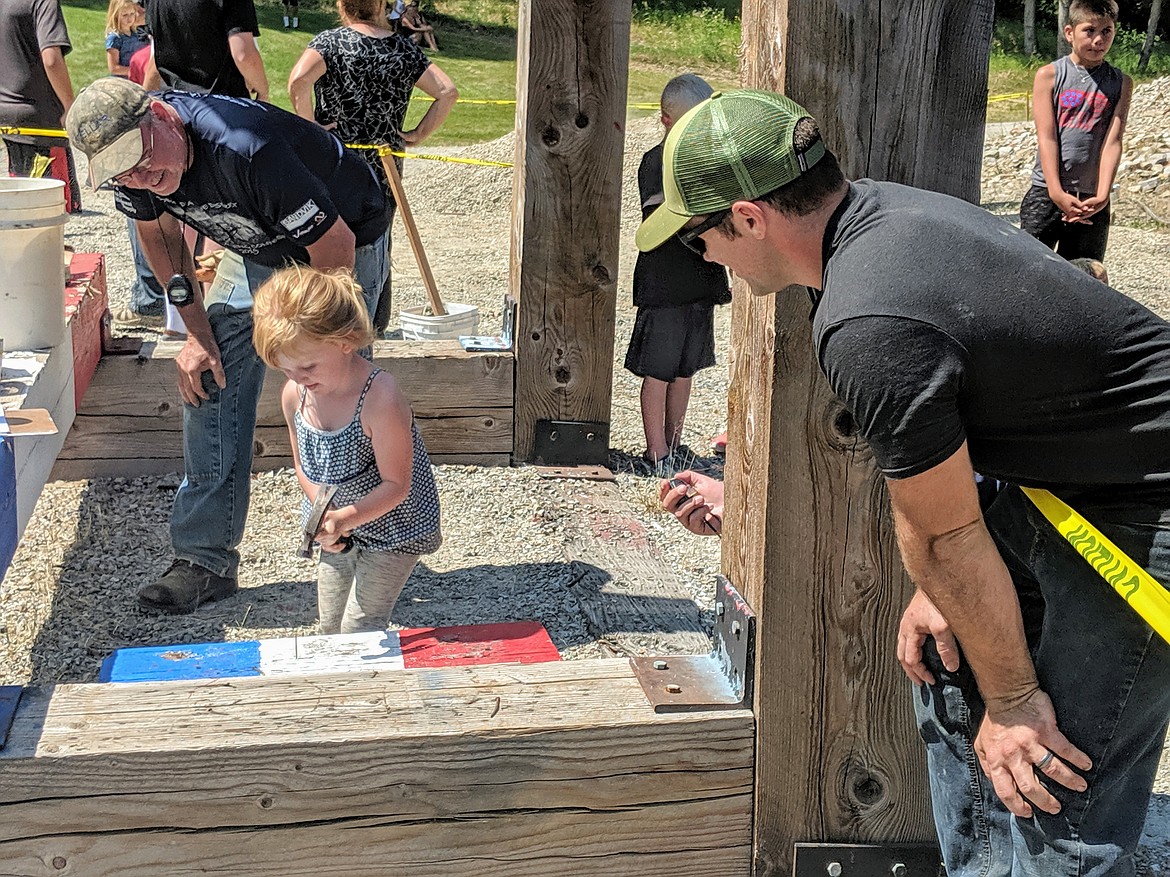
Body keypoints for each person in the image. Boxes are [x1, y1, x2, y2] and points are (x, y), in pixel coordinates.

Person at [644, 88, 1170, 876]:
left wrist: (1015, 699)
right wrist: (949, 585)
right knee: (951, 672)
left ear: (750, 218)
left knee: (1056, 777)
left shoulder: (869, 317)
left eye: (697, 238)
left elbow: (944, 533)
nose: (705, 257)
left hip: (1145, 503)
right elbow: (953, 459)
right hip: (1068, 480)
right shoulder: (873, 227)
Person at [65, 77, 392, 615]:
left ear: (164, 117)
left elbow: (332, 245)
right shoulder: (133, 168)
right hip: (253, 244)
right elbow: (161, 240)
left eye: (143, 161)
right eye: (125, 171)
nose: (143, 177)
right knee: (206, 375)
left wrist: (313, 349)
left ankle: (365, 542)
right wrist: (196, 334)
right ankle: (203, 560)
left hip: (341, 237)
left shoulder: (245, 145)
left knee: (337, 393)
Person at [253, 266, 442, 634]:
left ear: (346, 341)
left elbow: (397, 485)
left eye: (307, 366)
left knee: (360, 626)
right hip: (338, 527)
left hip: (394, 528)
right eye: (285, 369)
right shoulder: (296, 394)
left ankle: (367, 690)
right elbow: (304, 465)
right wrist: (327, 516)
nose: (298, 377)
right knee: (329, 624)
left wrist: (343, 518)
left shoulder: (379, 396)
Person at [289, 0, 456, 334]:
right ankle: (372, 325)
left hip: (334, 162)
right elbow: (447, 92)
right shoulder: (403, 50)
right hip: (384, 166)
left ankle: (325, 319)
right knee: (378, 242)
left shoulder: (329, 43)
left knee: (325, 239)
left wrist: (309, 128)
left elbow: (298, 80)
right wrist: (418, 134)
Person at [626, 73, 729, 469]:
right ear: (667, 121)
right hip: (665, 280)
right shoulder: (656, 160)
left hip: (702, 277)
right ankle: (656, 450)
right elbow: (662, 217)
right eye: (689, 121)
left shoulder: (712, 158)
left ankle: (675, 441)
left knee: (686, 368)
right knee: (659, 369)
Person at [1019, 0, 1131, 263]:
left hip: (1091, 199)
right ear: (1069, 33)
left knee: (1085, 275)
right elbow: (1047, 137)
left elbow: (1113, 141)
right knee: (1031, 268)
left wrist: (1102, 194)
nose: (1098, 39)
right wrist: (1056, 192)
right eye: (1089, 30)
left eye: (1107, 32)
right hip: (1047, 193)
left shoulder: (1121, 82)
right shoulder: (1049, 75)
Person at [0, 0, 80, 213]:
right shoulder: (43, 2)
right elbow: (52, 59)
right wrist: (69, 105)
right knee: (53, 209)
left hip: (7, 116)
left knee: (23, 206)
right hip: (42, 118)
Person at [144, 0, 269, 101]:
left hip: (175, 105)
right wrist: (263, 93)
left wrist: (145, 100)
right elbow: (243, 55)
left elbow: (157, 57)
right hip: (221, 107)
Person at [105, 0, 149, 78]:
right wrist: (135, 71)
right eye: (125, 15)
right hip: (122, 81)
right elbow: (114, 68)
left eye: (132, 14)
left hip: (137, 78)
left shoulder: (136, 34)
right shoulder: (115, 38)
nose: (129, 18)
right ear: (116, 15)